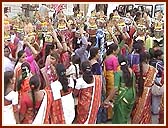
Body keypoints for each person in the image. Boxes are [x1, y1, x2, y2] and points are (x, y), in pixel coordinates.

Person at [104, 56, 136, 124]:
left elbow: (115, 88)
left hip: (122, 96)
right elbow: (134, 85)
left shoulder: (118, 73)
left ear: (118, 63)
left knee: (119, 117)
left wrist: (107, 99)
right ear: (127, 62)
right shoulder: (131, 72)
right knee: (125, 116)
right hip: (131, 95)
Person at [131, 52, 157, 124]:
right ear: (147, 59)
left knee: (136, 110)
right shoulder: (153, 70)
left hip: (137, 91)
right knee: (146, 111)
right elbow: (152, 83)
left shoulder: (135, 67)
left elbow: (133, 81)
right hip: (147, 93)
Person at [103, 43, 120, 120]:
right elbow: (116, 70)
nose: (118, 50)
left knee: (109, 94)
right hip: (113, 77)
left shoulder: (106, 58)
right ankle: (113, 114)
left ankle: (108, 114)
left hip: (108, 77)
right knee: (113, 95)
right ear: (114, 51)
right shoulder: (114, 58)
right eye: (117, 49)